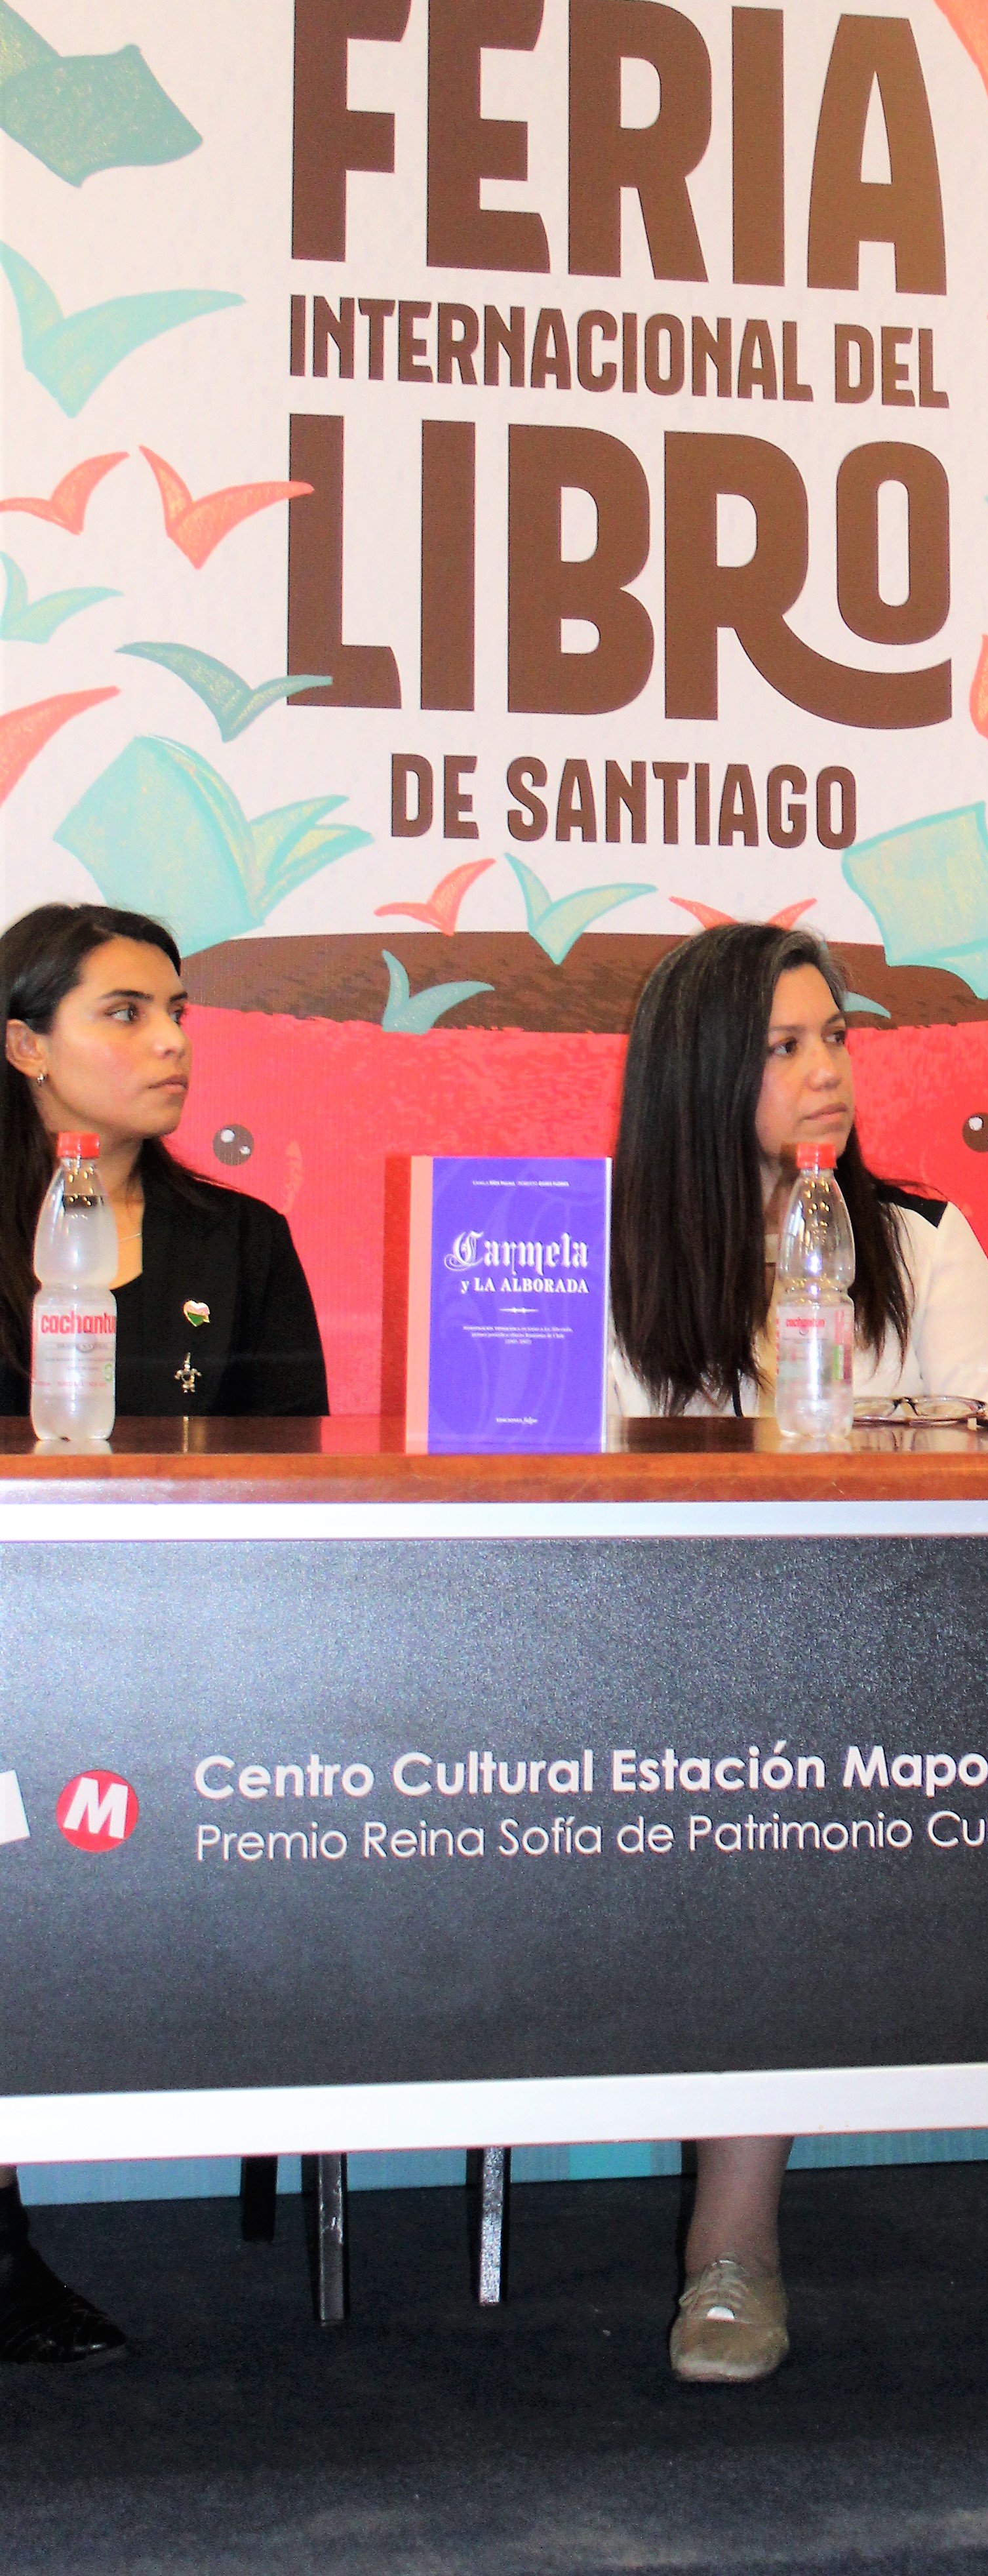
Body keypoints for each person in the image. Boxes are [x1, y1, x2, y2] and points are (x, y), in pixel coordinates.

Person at [607, 921, 988, 2385]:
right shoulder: (598, 1260)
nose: (828, 1071)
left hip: (883, 1670)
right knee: (747, 1764)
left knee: (778, 1778)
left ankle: (734, 2243)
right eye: (785, 1047)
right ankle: (728, 2238)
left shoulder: (921, 1240)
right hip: (646, 1674)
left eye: (837, 1038)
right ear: (699, 1074)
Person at [1, 899, 332, 2364]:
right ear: (27, 1047)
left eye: (179, 1011)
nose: (171, 1042)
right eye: (125, 1014)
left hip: (189, 1664)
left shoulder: (240, 1239)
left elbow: (298, 1481)